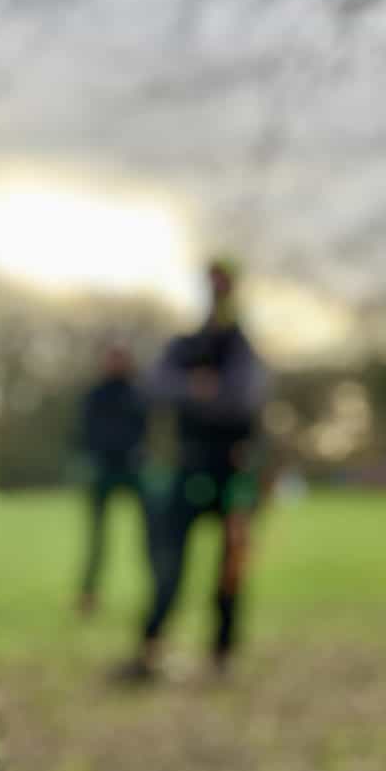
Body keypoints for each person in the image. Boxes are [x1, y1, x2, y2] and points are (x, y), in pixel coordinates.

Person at [118, 258, 270, 679]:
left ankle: (222, 655)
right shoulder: (186, 346)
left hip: (236, 471)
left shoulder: (242, 348)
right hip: (189, 468)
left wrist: (200, 392)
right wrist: (203, 389)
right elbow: (154, 386)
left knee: (231, 567)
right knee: (169, 567)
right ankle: (150, 649)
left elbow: (243, 399)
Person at [76, 343, 149, 616]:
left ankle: (151, 592)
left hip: (132, 469)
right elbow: (86, 431)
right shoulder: (95, 395)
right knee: (97, 539)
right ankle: (88, 595)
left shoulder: (138, 394)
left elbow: (144, 428)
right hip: (103, 470)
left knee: (149, 534)